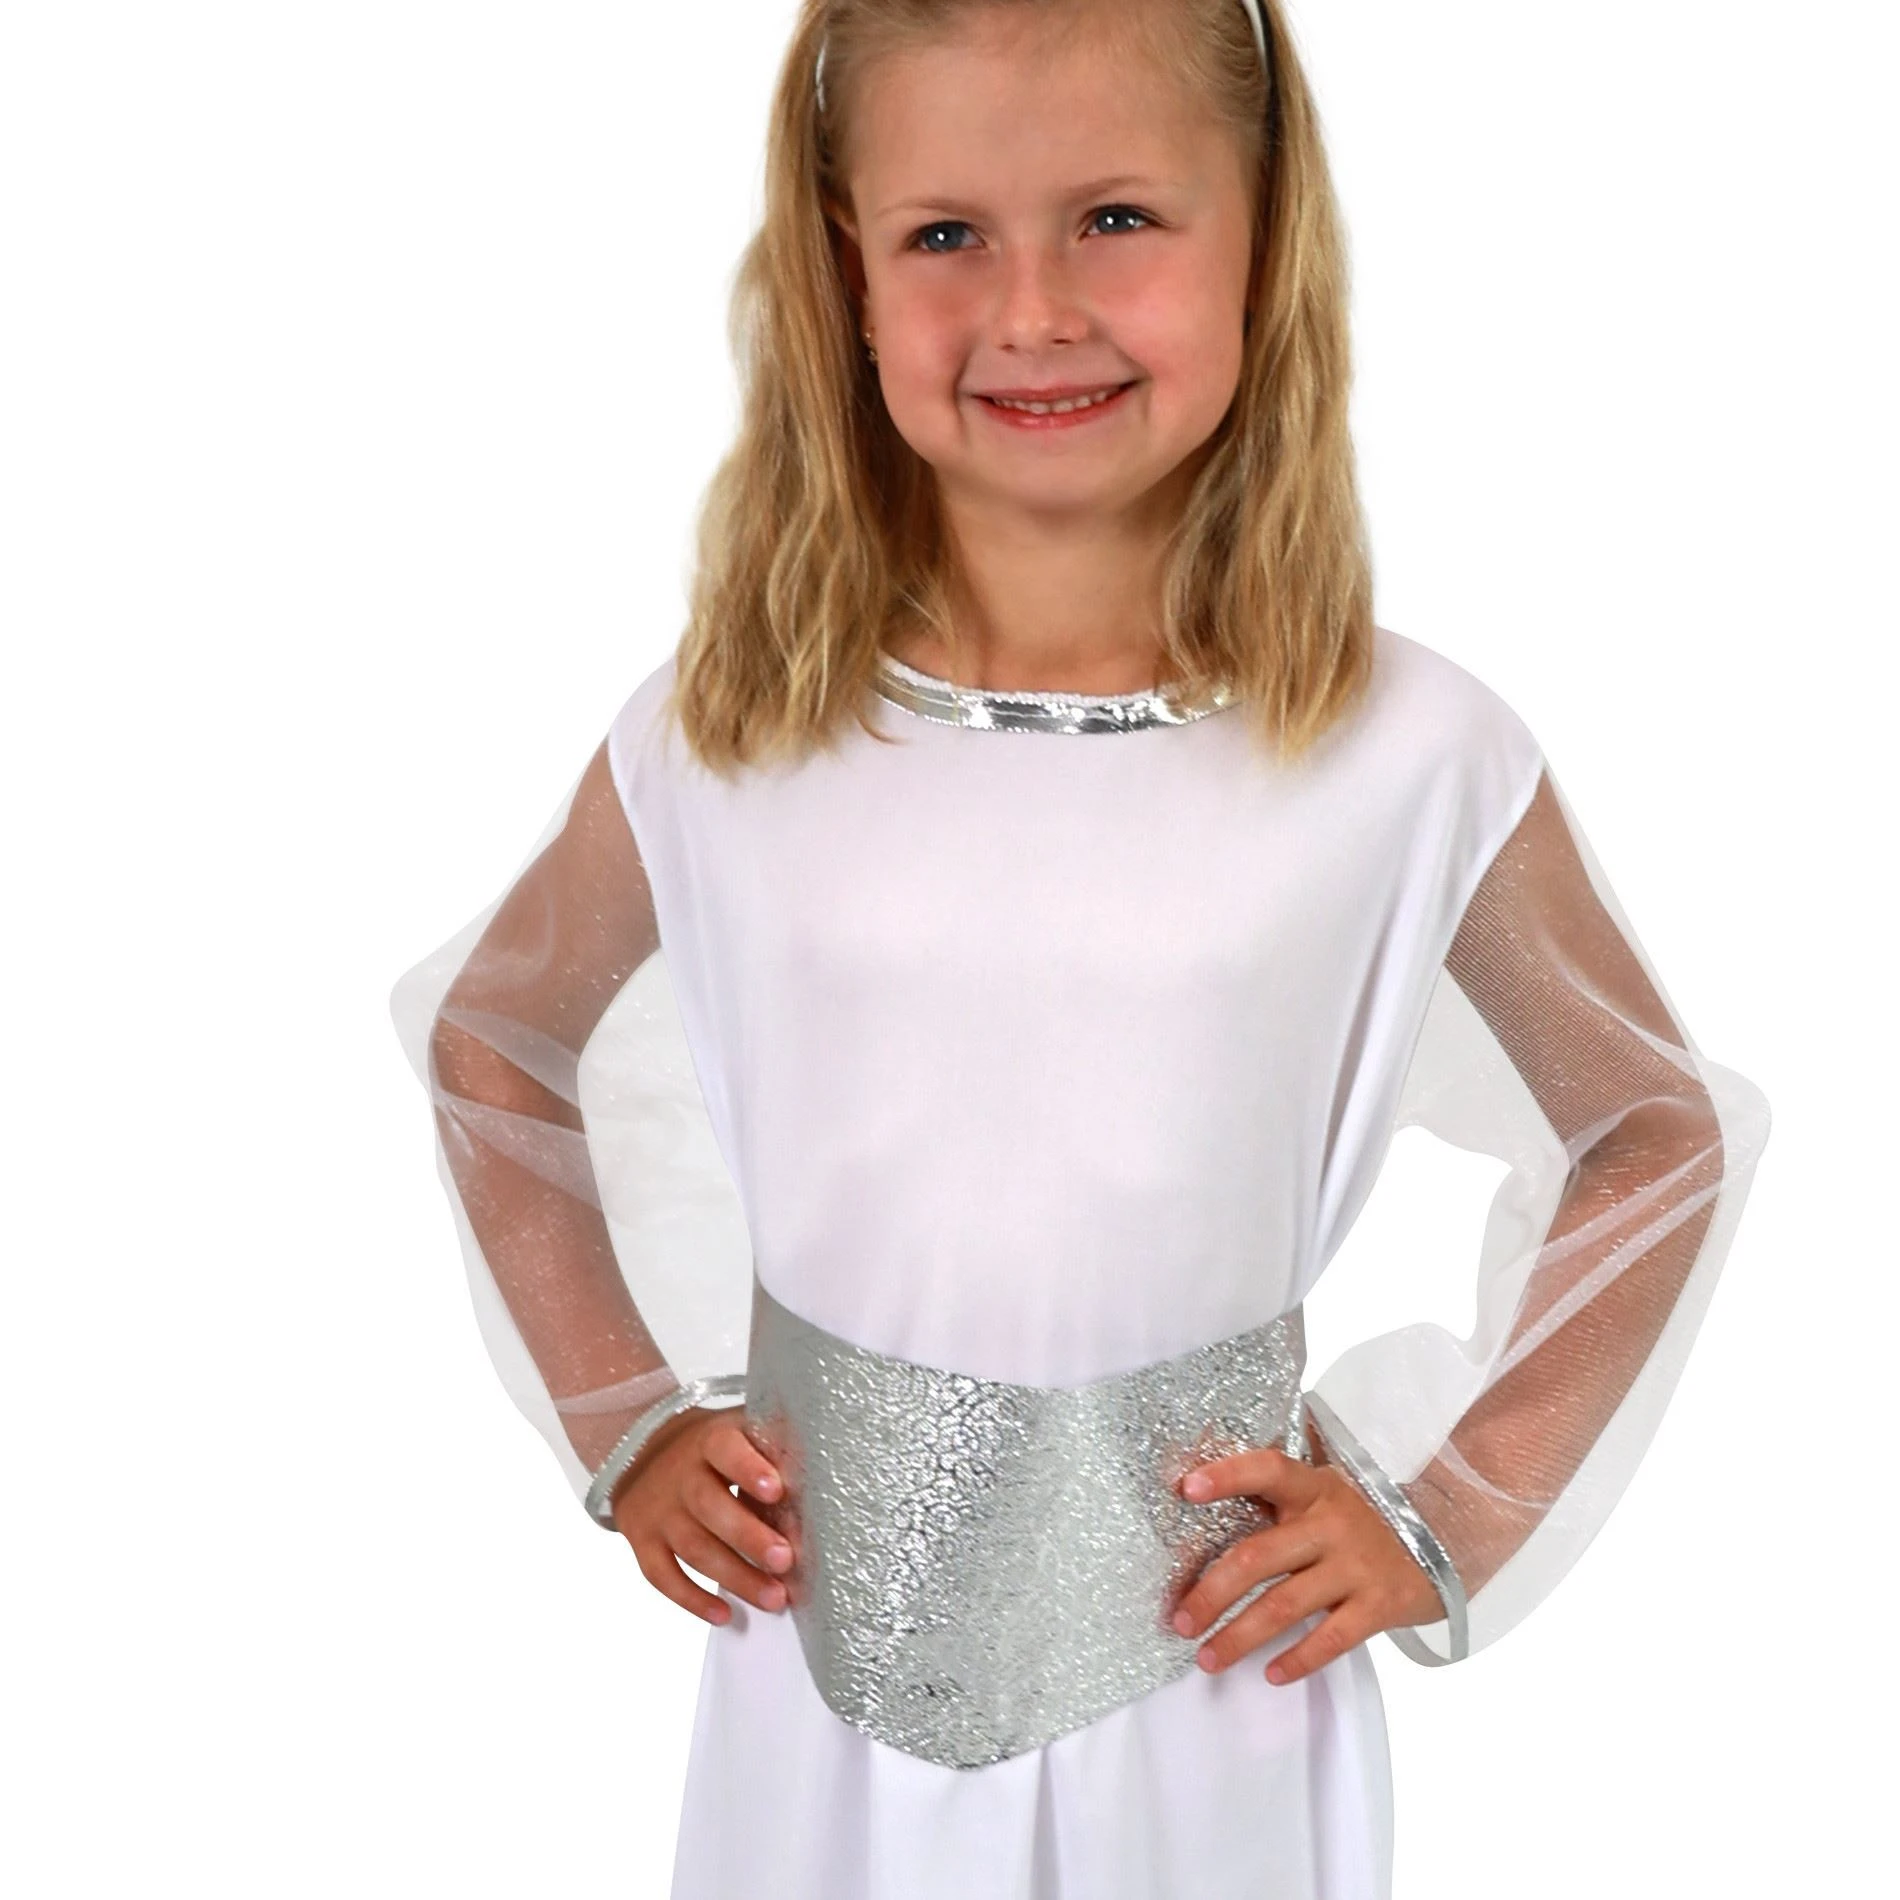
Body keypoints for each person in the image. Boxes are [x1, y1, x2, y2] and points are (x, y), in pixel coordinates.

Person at [390, 2, 1771, 1895]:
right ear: (845, 276)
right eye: (945, 235)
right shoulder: (726, 736)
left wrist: (1448, 1506)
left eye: (1117, 217)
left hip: (1210, 1679)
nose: (1032, 310)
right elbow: (496, 1044)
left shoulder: (1411, 755)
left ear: (1266, 233)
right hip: (817, 1676)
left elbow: (1650, 1131)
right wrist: (625, 1421)